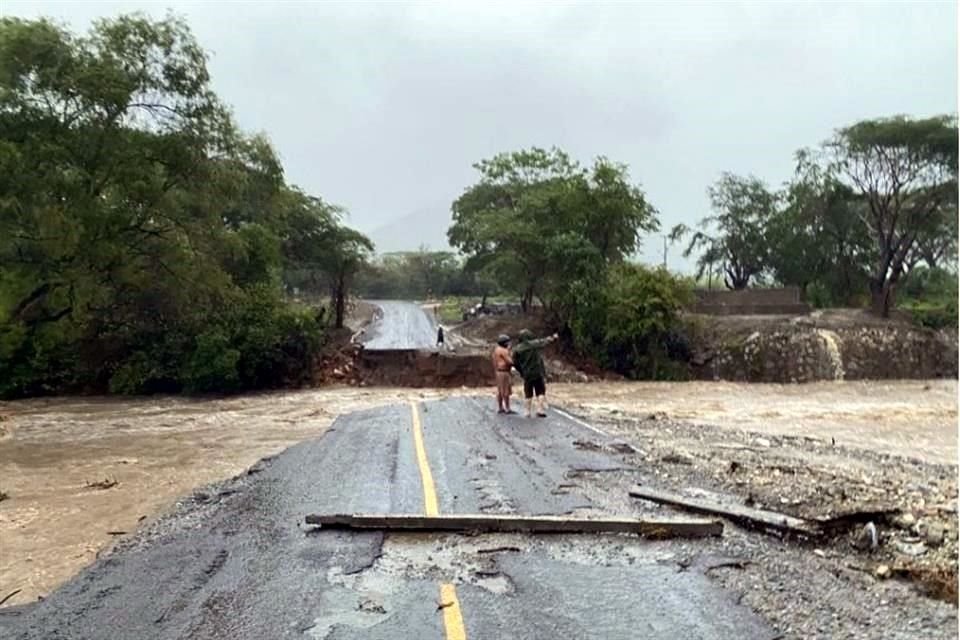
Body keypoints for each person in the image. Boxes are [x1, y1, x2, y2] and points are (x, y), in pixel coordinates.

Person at [511, 329, 559, 418]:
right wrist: (553, 337)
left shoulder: (517, 349)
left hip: (527, 373)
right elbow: (545, 341)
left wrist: (521, 371)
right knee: (540, 390)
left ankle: (527, 411)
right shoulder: (535, 344)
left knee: (528, 392)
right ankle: (540, 409)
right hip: (538, 372)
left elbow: (515, 363)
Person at [491, 334, 516, 414]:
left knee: (500, 390)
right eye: (508, 342)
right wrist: (510, 352)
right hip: (504, 372)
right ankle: (507, 408)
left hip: (498, 371)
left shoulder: (496, 349)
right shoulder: (504, 351)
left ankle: (500, 407)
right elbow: (510, 362)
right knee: (506, 391)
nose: (509, 344)